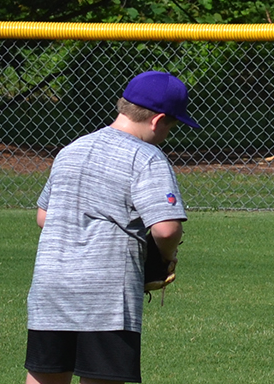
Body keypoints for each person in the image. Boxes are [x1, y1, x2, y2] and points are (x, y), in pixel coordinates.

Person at [26, 71, 199, 384]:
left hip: (51, 287)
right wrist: (163, 257)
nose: (167, 135)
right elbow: (166, 229)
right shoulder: (146, 157)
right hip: (106, 293)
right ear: (158, 120)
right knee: (102, 377)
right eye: (171, 127)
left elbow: (43, 216)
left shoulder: (73, 149)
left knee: (45, 375)